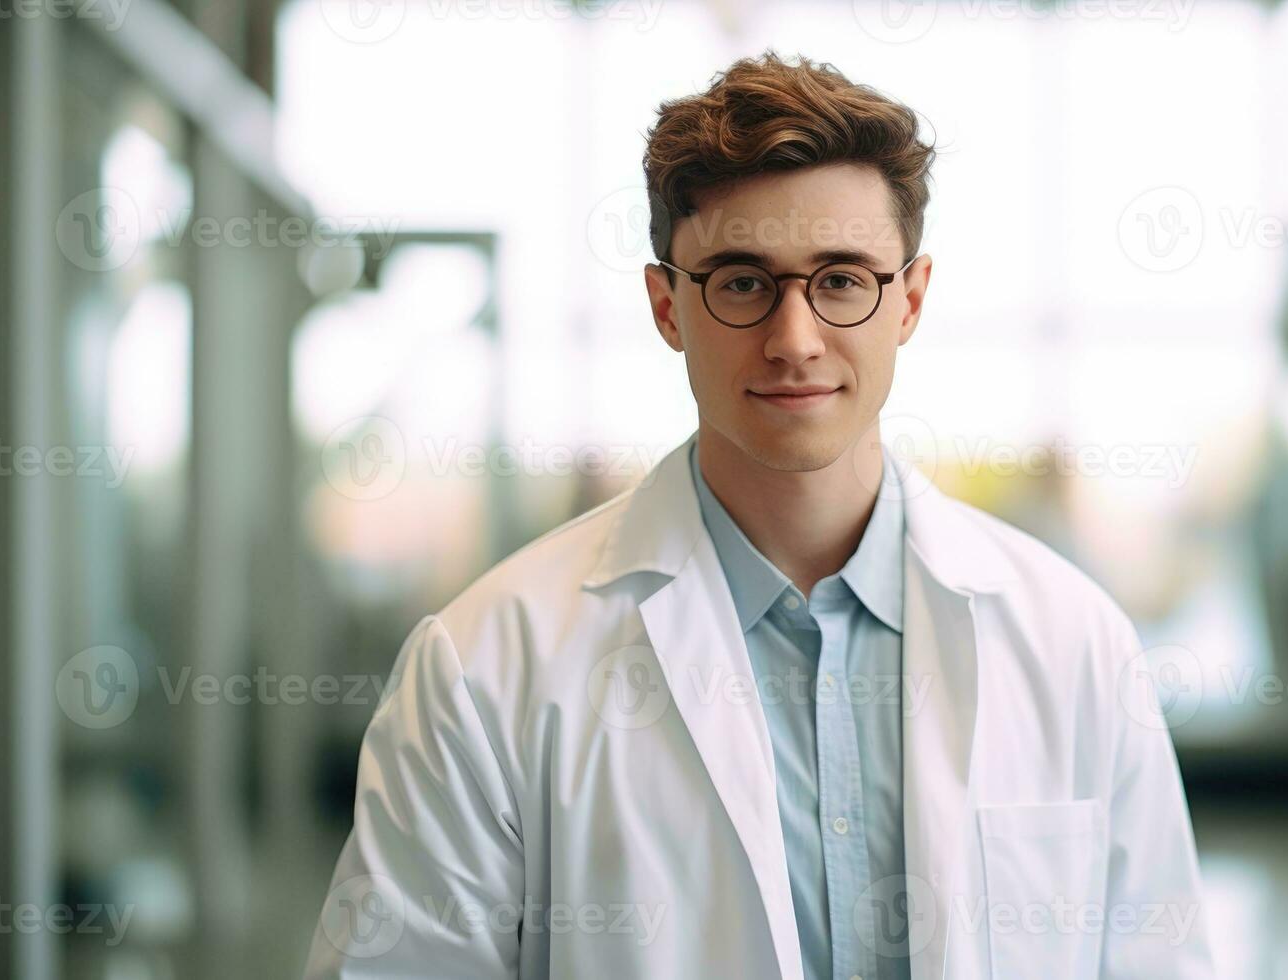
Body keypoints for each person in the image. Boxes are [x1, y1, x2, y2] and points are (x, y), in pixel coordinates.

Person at [306, 50, 1213, 979]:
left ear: (909, 300)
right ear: (667, 307)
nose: (793, 340)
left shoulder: (1074, 644)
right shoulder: (486, 669)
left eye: (841, 279)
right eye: (741, 281)